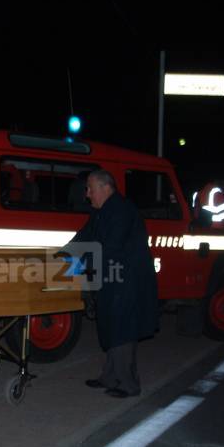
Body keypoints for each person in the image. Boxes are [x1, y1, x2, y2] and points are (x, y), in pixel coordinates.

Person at [62, 169, 157, 398]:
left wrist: (81, 264)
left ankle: (128, 384)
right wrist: (62, 256)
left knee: (122, 330)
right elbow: (83, 237)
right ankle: (110, 376)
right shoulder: (101, 211)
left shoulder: (121, 210)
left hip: (126, 281)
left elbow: (110, 248)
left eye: (90, 189)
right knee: (111, 327)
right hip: (111, 278)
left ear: (106, 188)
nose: (87, 194)